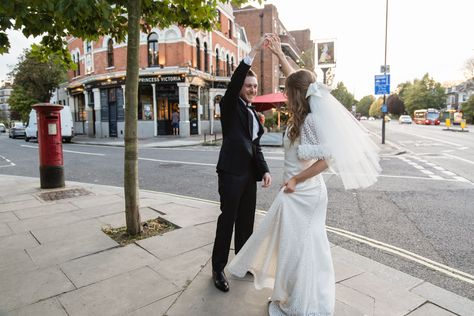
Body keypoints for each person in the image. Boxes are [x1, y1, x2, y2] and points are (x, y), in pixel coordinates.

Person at [228, 35, 381, 315]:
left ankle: (303, 303)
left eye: (288, 91)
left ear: (296, 94)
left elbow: (326, 160)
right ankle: (294, 295)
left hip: (304, 193)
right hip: (297, 192)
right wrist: (278, 55)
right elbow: (298, 81)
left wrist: (296, 179)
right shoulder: (307, 108)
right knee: (295, 248)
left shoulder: (311, 121)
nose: (286, 94)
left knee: (301, 250)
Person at [212, 35, 272, 293]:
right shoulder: (229, 105)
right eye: (248, 85)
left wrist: (265, 170)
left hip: (249, 175)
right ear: (239, 86)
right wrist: (254, 51)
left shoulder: (254, 113)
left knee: (246, 221)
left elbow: (255, 145)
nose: (252, 89)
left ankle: (242, 262)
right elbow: (237, 78)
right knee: (228, 220)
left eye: (255, 86)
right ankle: (218, 269)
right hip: (231, 172)